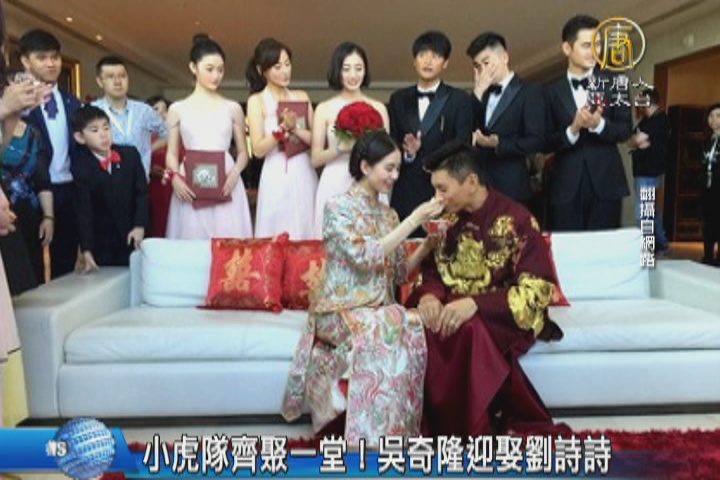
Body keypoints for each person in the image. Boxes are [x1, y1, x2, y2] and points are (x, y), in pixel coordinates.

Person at [282, 130, 445, 445]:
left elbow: (399, 273)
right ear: (366, 166)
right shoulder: (338, 207)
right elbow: (363, 257)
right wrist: (413, 220)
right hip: (338, 309)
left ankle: (394, 433)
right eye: (389, 168)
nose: (395, 176)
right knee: (386, 326)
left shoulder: (389, 214)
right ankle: (364, 441)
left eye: (398, 169)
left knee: (409, 323)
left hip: (376, 309)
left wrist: (426, 245)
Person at [406, 140, 567, 438]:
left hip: (500, 317)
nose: (436, 198)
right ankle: (433, 425)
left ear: (470, 182)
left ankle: (470, 429)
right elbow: (432, 271)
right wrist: (429, 297)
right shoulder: (446, 221)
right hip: (452, 308)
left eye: (442, 189)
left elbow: (537, 289)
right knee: (427, 324)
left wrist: (477, 305)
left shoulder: (517, 220)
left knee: (469, 330)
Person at [544, 15, 632, 231]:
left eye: (598, 44)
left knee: (605, 247)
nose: (594, 51)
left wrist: (599, 124)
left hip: (607, 183)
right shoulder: (550, 92)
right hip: (566, 185)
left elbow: (625, 130)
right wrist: (572, 130)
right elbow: (544, 141)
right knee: (568, 248)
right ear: (567, 48)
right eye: (586, 46)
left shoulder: (616, 82)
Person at [165, 34, 253, 239]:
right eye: (210, 69)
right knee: (192, 238)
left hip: (226, 179)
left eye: (220, 70)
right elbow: (171, 153)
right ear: (193, 67)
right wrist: (175, 177)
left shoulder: (232, 108)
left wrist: (235, 174)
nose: (216, 76)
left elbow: (243, 152)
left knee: (228, 241)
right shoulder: (178, 109)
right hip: (190, 180)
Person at [388, 30, 473, 237]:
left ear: (445, 63)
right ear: (414, 61)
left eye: (435, 56)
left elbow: (462, 143)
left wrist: (428, 155)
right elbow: (391, 142)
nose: (428, 61)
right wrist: (408, 153)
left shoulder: (459, 100)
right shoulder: (398, 99)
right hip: (406, 189)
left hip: (443, 190)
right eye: (422, 55)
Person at [19, 29, 82, 278]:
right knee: (30, 265)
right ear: (26, 61)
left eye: (55, 57)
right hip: (30, 192)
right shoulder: (17, 103)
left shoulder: (72, 102)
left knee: (65, 266)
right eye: (42, 57)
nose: (50, 63)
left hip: (68, 189)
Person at [310, 42, 389, 238]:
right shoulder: (324, 109)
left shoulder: (378, 108)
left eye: (358, 68)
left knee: (372, 241)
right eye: (346, 69)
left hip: (369, 179)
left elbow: (388, 155)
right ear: (337, 70)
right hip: (335, 179)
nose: (353, 75)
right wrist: (340, 148)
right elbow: (315, 158)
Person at [246, 38, 318, 240]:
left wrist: (295, 129)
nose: (285, 71)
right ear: (262, 70)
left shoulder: (301, 96)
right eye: (277, 67)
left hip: (303, 168)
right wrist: (282, 129)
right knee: (276, 232)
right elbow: (258, 149)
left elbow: (317, 140)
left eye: (287, 64)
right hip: (275, 171)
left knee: (306, 227)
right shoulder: (257, 101)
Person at [467, 32, 545, 205]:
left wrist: (499, 144)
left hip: (512, 187)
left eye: (486, 62)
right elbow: (466, 129)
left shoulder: (529, 92)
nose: (483, 70)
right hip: (479, 187)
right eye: (478, 66)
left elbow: (536, 141)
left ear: (504, 57)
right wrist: (477, 92)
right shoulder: (479, 95)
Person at [70, 105, 147, 271]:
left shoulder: (130, 155)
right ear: (80, 137)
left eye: (106, 127)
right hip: (103, 244)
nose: (103, 134)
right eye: (95, 130)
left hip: (134, 237)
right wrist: (87, 249)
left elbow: (141, 194)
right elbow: (84, 211)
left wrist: (139, 225)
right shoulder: (81, 168)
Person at [0, 71, 54, 295]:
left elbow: (41, 177)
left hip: (21, 210)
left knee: (23, 284)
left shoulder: (31, 131)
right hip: (6, 203)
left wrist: (12, 112)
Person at [92, 56, 167, 179]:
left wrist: (149, 149)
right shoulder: (92, 111)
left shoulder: (144, 111)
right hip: (104, 181)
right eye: (111, 77)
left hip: (140, 182)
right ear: (100, 82)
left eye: (122, 76)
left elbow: (167, 134)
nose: (118, 81)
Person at [628, 88, 671, 255]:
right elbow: (631, 140)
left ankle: (648, 246)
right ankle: (661, 242)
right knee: (649, 209)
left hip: (650, 172)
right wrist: (637, 142)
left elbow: (637, 139)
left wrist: (638, 141)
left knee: (644, 211)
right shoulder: (646, 121)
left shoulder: (660, 119)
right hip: (643, 171)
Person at [146, 95, 177, 237]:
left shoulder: (177, 137)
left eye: (166, 110)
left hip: (173, 187)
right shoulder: (143, 136)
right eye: (156, 109)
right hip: (153, 187)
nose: (162, 114)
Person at [701, 103, 720, 265]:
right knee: (708, 221)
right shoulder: (708, 140)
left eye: (718, 116)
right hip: (708, 186)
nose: (713, 120)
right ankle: (708, 255)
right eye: (711, 116)